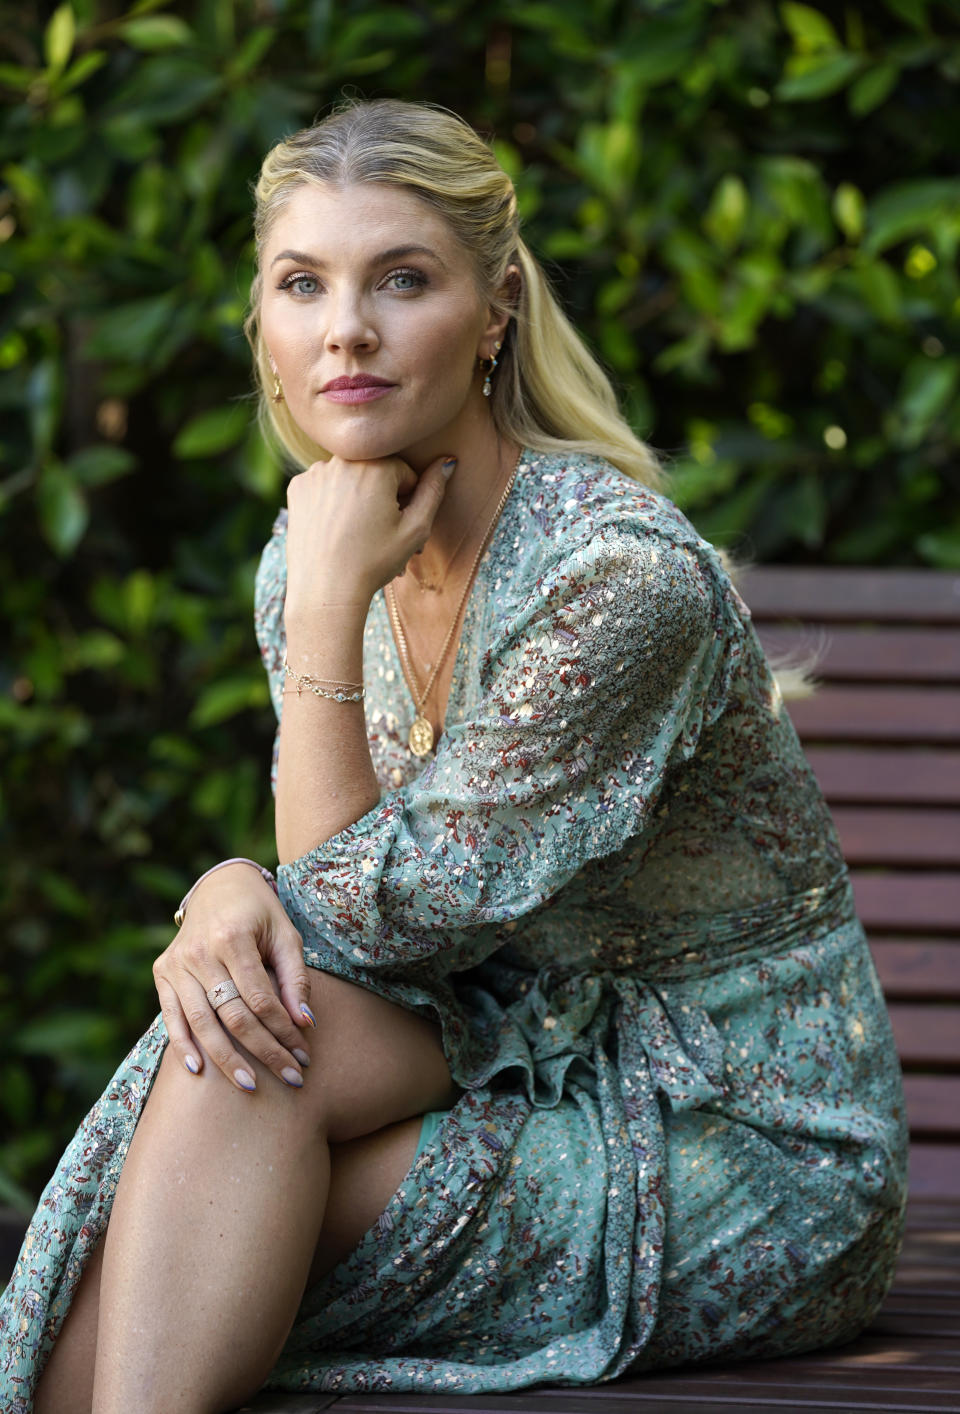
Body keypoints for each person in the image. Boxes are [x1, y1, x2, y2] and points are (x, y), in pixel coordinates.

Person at [1, 97, 907, 1413]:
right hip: (501, 1042)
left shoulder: (616, 581)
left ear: (494, 312)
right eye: (302, 283)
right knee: (246, 1048)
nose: (345, 328)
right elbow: (342, 945)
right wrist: (236, 877)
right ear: (262, 327)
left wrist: (232, 876)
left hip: (739, 1133)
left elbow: (374, 923)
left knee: (187, 1193)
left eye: (402, 280)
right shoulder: (314, 548)